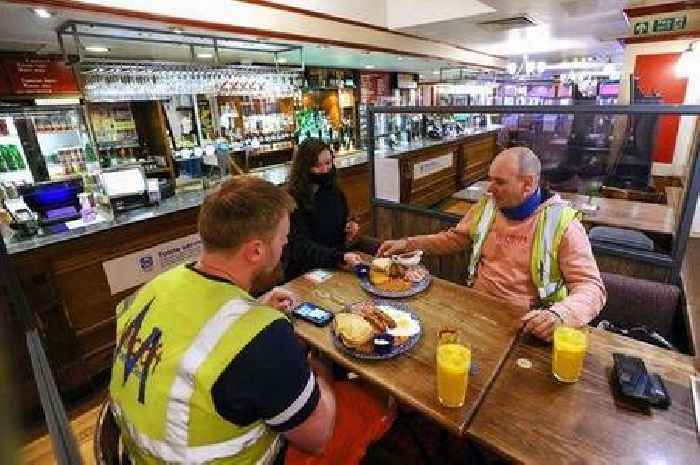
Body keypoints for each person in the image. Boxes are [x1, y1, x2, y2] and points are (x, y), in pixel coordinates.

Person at [109, 176, 336, 465]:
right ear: (256, 251)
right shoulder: (262, 339)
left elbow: (190, 331)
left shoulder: (155, 286)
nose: (285, 246)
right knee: (361, 404)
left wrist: (251, 307)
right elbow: (318, 437)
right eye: (283, 239)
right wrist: (320, 362)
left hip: (134, 456)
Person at [378, 147, 606, 341]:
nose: (489, 188)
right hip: (476, 307)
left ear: (527, 184)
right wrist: (408, 243)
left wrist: (560, 315)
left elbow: (592, 288)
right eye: (490, 179)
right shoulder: (488, 206)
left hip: (528, 323)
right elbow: (454, 239)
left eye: (499, 182)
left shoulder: (562, 222)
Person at [283, 138, 363, 280]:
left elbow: (341, 223)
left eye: (328, 163)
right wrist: (340, 257)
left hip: (335, 264)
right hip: (306, 272)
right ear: (304, 167)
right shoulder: (294, 199)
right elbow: (301, 248)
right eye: (316, 165)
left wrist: (350, 227)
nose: (325, 170)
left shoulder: (334, 190)